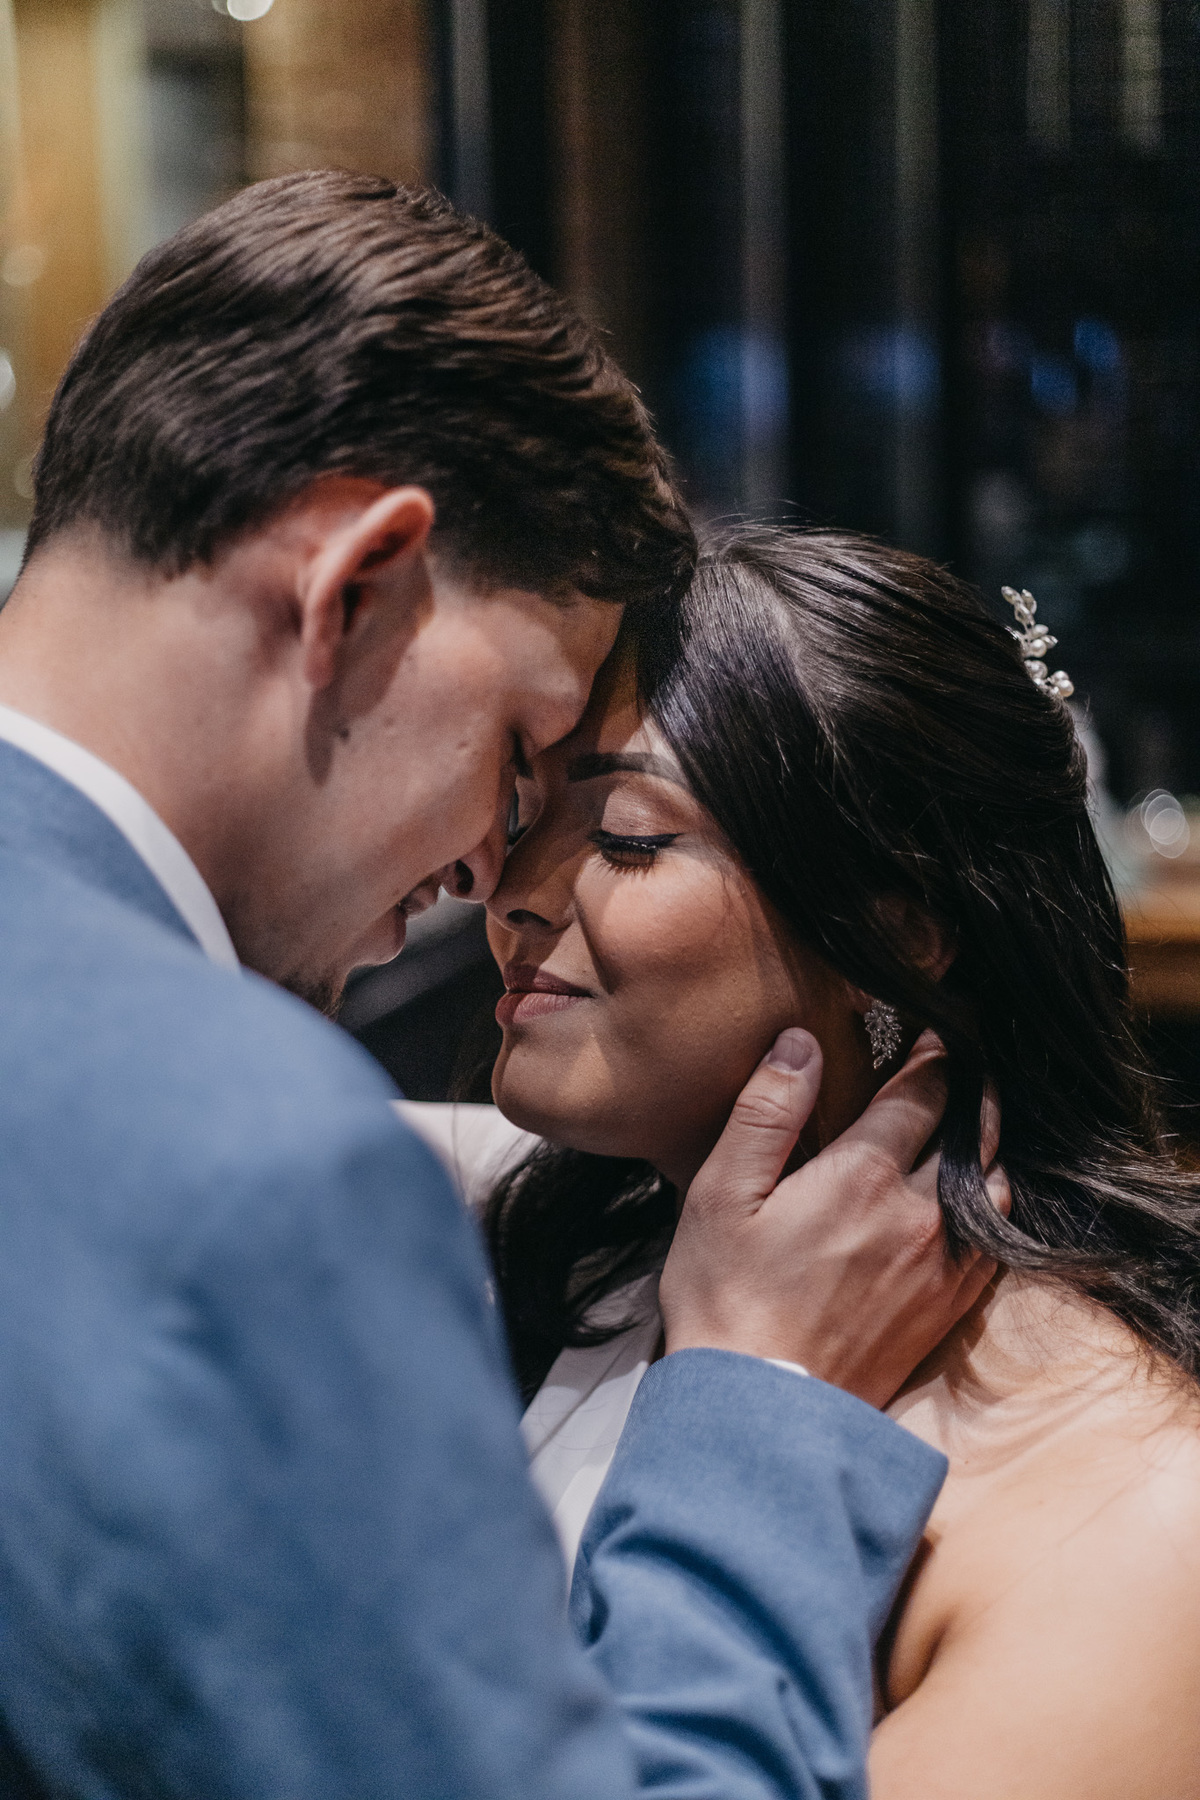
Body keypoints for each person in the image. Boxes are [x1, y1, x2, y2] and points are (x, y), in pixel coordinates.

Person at [0, 174, 990, 1800]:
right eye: (522, 744)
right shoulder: (247, 1150)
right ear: (357, 583)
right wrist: (762, 1399)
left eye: (623, 828)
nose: (488, 870)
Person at [440, 526, 1200, 1800]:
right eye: (523, 813)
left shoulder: (1123, 1506)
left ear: (894, 928)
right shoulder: (578, 1243)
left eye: (625, 836)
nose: (511, 889)